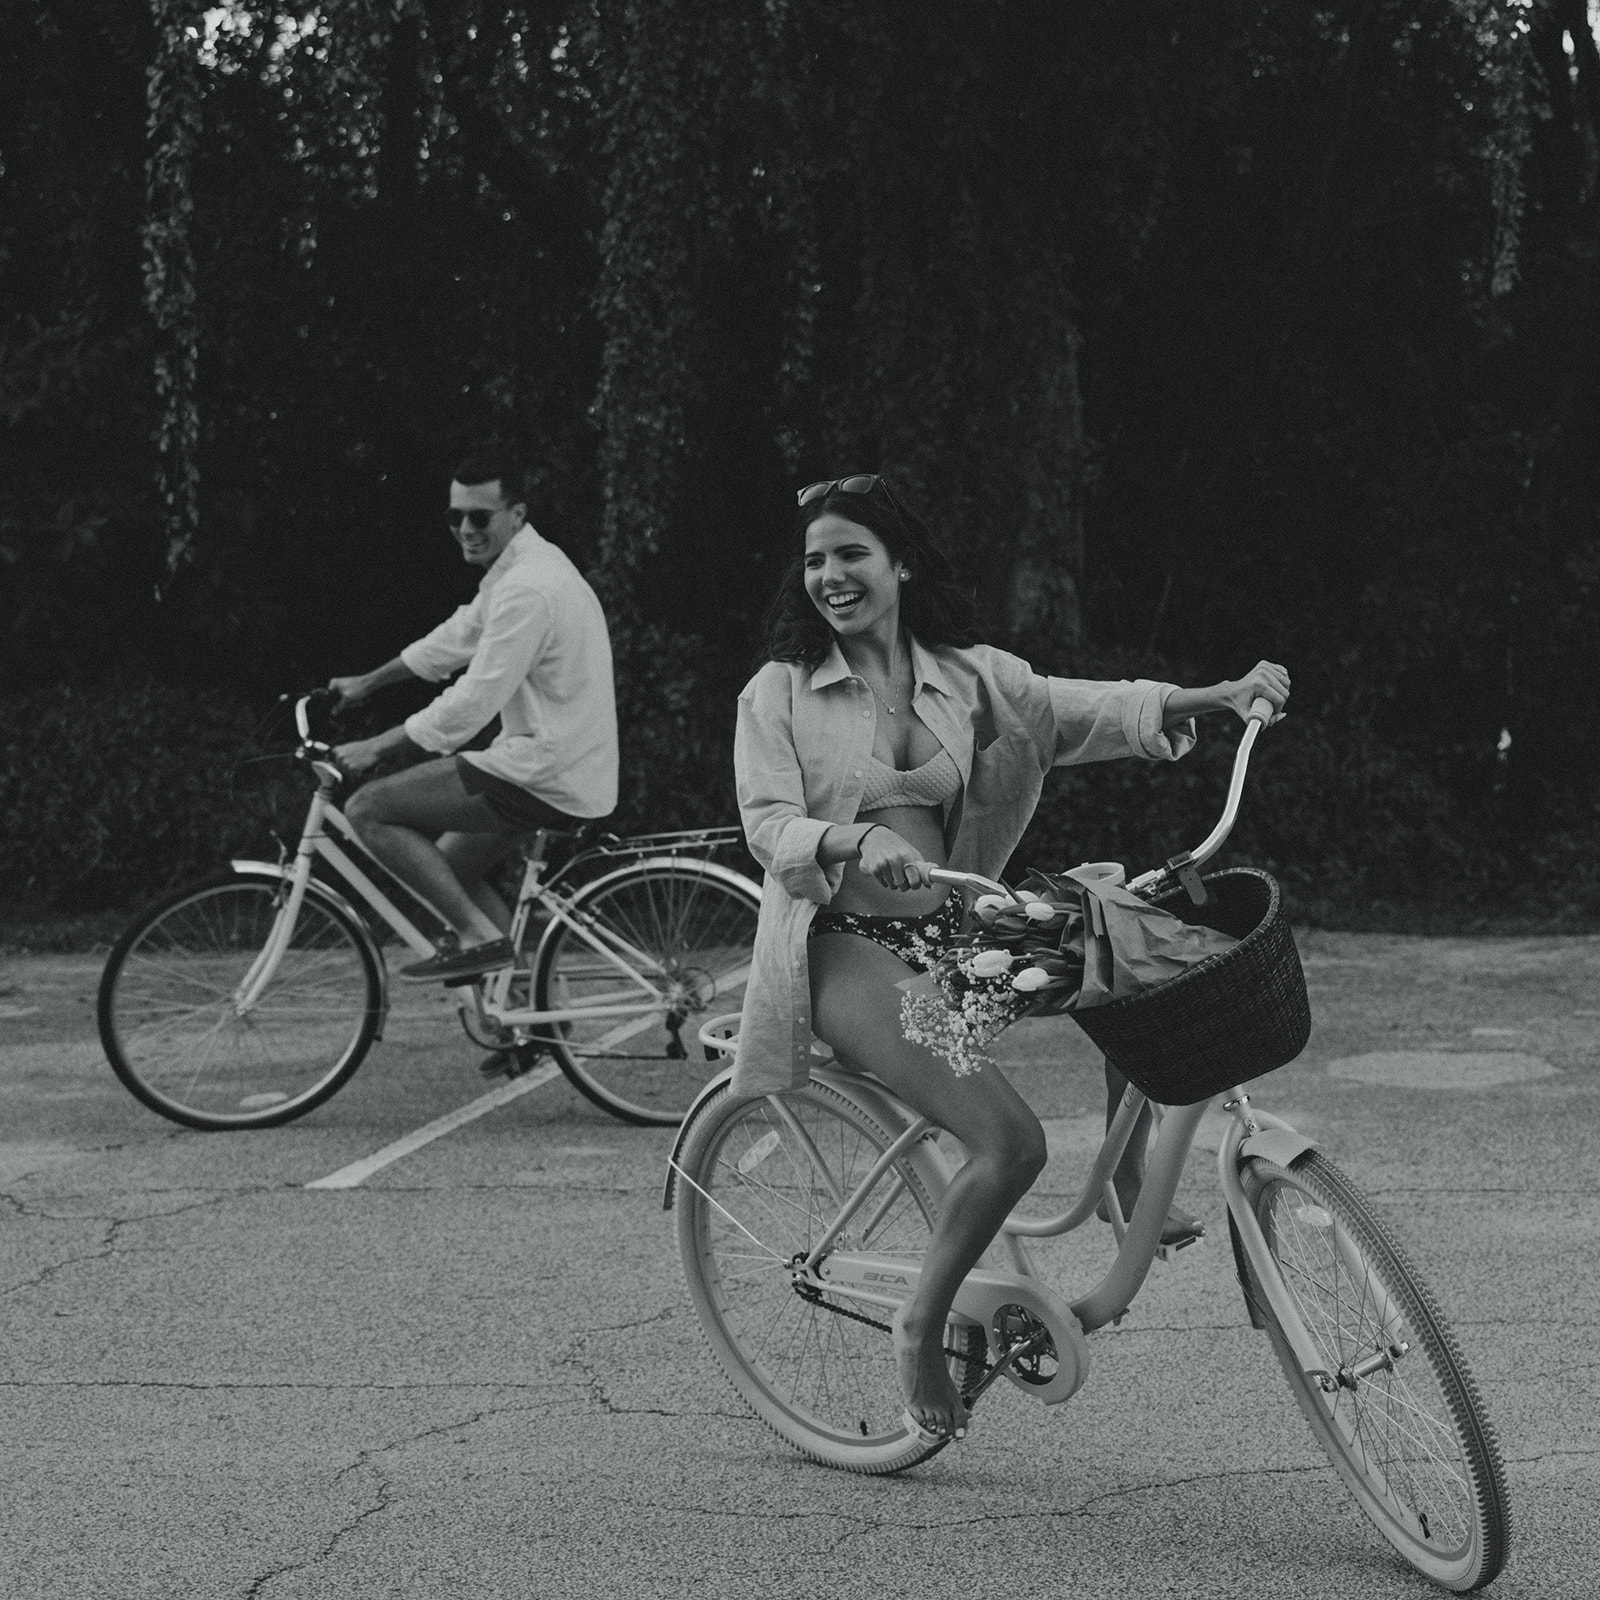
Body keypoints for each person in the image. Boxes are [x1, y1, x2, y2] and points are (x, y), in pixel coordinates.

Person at [732, 473, 1289, 1442]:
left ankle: (1123, 1186)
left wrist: (1222, 693)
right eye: (815, 559)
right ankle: (919, 1325)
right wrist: (853, 842)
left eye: (851, 553)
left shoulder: (965, 674)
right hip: (846, 947)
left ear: (898, 563)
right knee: (1012, 1143)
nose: (829, 574)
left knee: (1139, 953)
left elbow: (1085, 707)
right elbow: (767, 822)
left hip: (956, 927)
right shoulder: (779, 692)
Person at [328, 443, 618, 982]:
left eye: (479, 516)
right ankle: (532, 1021)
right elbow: (453, 639)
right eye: (454, 516)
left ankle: (481, 939)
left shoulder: (528, 589)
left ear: (517, 515)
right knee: (448, 871)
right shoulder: (521, 571)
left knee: (368, 808)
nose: (465, 528)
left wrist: (377, 746)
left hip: (545, 770)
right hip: (563, 766)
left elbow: (472, 702)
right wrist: (366, 685)